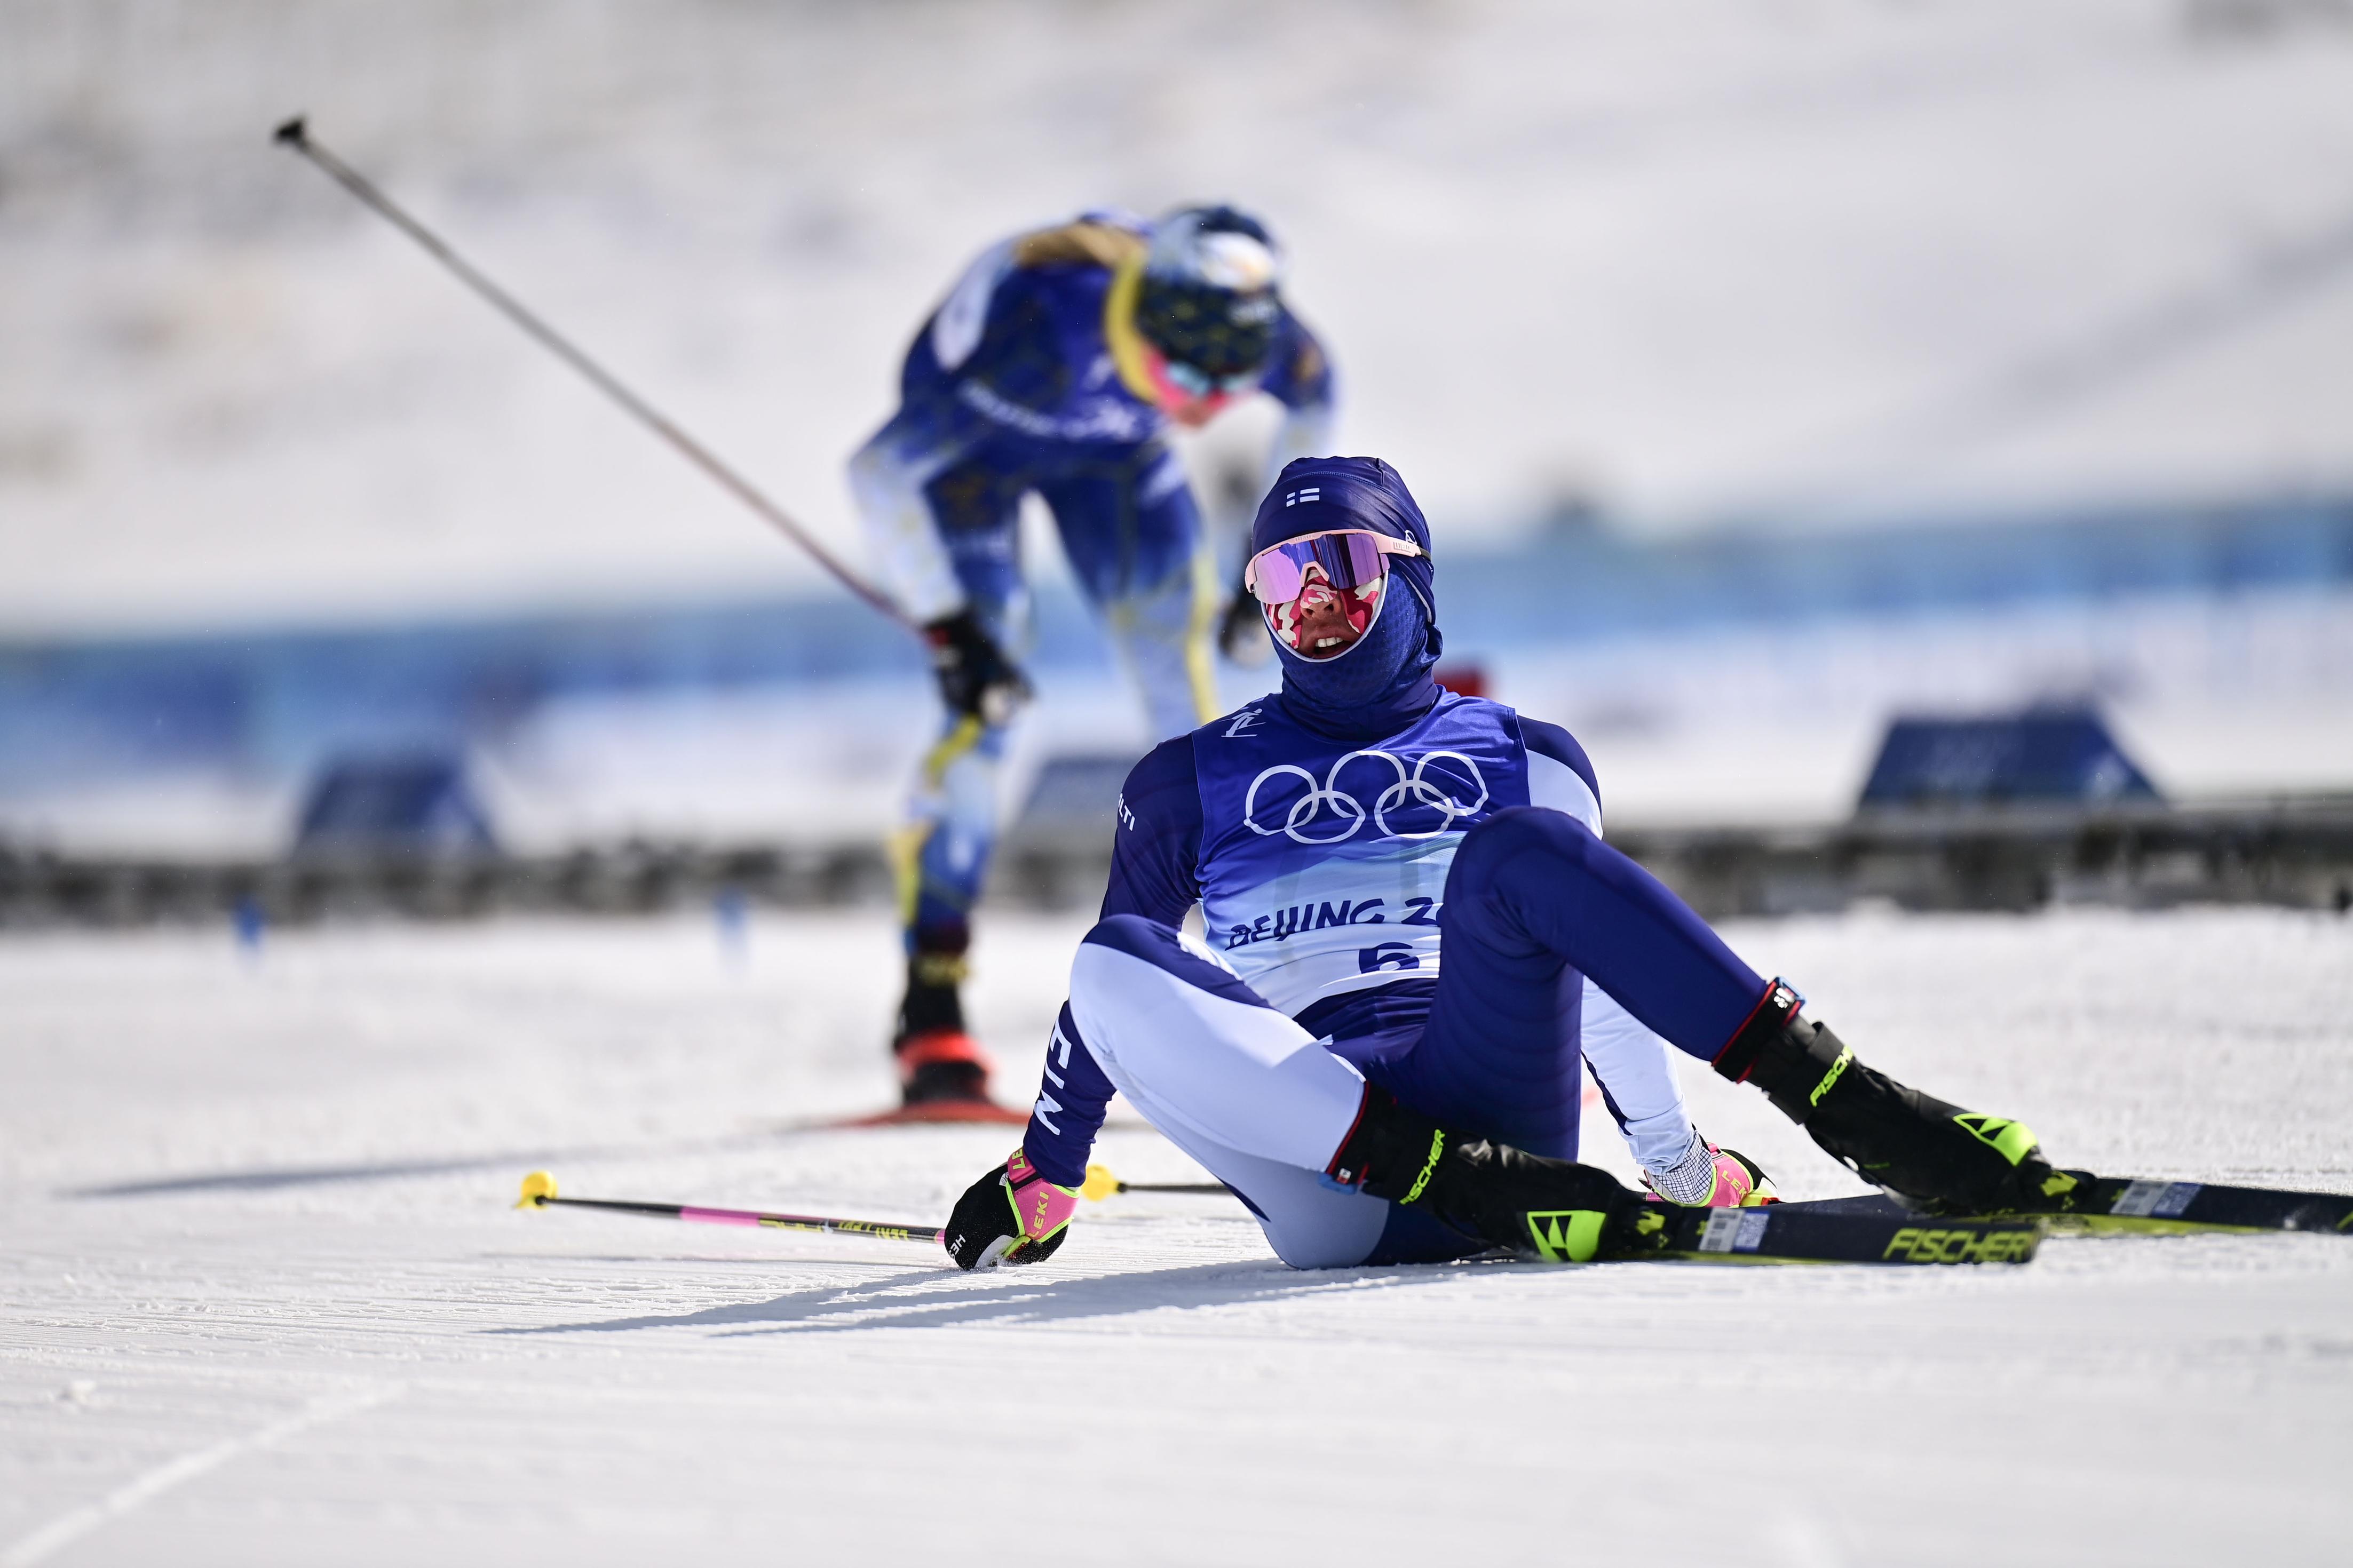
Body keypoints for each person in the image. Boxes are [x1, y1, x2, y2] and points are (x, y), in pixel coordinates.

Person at [944, 455, 2091, 1269]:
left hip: (1500, 1107)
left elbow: (1600, 990)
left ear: (1414, 575)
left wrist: (1679, 1168)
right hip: (1328, 1163)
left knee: (1524, 852)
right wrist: (1045, 1175)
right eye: (1280, 585)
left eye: (1339, 565)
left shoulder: (1521, 754)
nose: (1314, 608)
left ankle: (1868, 1114)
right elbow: (1119, 1012)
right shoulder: (1184, 779)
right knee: (1111, 958)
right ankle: (1453, 1186)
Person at [850, 205, 1338, 1115]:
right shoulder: (1042, 335)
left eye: (1225, 388)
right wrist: (951, 631)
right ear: (1142, 322)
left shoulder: (1267, 342)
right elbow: (879, 472)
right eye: (1186, 374)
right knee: (982, 718)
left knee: (1188, 713)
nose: (1200, 404)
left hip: (1113, 449)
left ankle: (1292, 997)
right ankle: (932, 1015)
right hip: (976, 457)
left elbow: (1311, 407)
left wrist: (1258, 568)